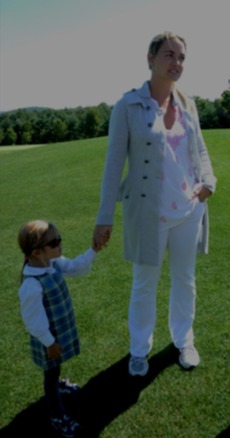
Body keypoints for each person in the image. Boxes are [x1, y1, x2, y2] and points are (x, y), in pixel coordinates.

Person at [93, 32, 217, 377]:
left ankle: (183, 341)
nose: (176, 63)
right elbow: (113, 165)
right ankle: (138, 350)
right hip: (147, 214)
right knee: (144, 284)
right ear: (150, 59)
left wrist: (208, 182)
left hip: (188, 211)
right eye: (169, 55)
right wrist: (104, 218)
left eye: (181, 57)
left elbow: (200, 151)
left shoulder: (187, 104)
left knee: (185, 280)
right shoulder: (128, 106)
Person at [17, 220, 101, 437]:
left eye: (59, 238)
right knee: (50, 374)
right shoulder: (31, 285)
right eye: (55, 241)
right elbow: (33, 320)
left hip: (56, 336)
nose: (60, 243)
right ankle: (57, 415)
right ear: (37, 252)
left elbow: (75, 267)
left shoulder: (51, 263)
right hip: (48, 340)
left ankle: (59, 385)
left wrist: (93, 250)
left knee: (55, 369)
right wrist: (49, 342)